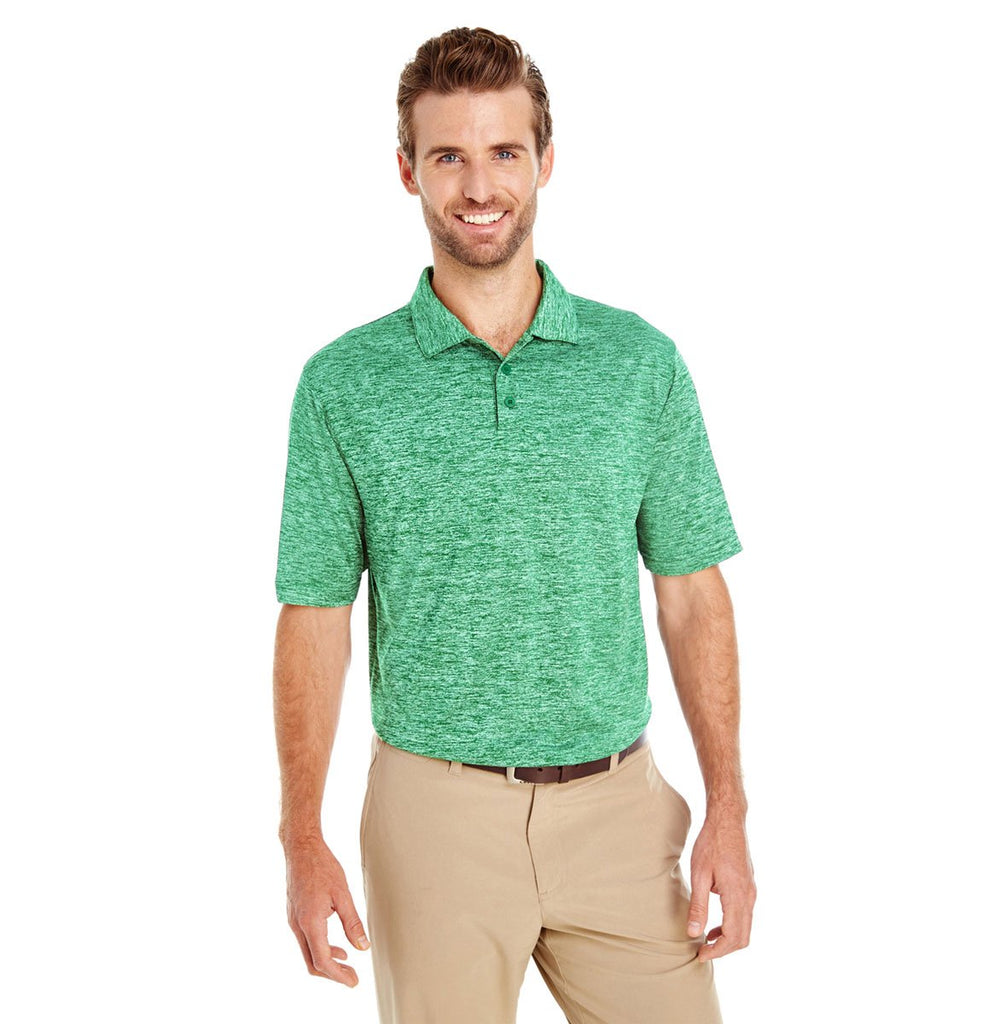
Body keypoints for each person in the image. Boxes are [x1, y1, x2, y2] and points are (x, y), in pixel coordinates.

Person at [273, 26, 755, 1024]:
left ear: (546, 160)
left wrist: (729, 807)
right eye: (448, 155)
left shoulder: (639, 364)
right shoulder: (343, 385)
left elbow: (691, 594)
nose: (479, 185)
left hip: (622, 813)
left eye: (503, 150)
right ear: (406, 170)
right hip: (432, 817)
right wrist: (300, 837)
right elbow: (313, 614)